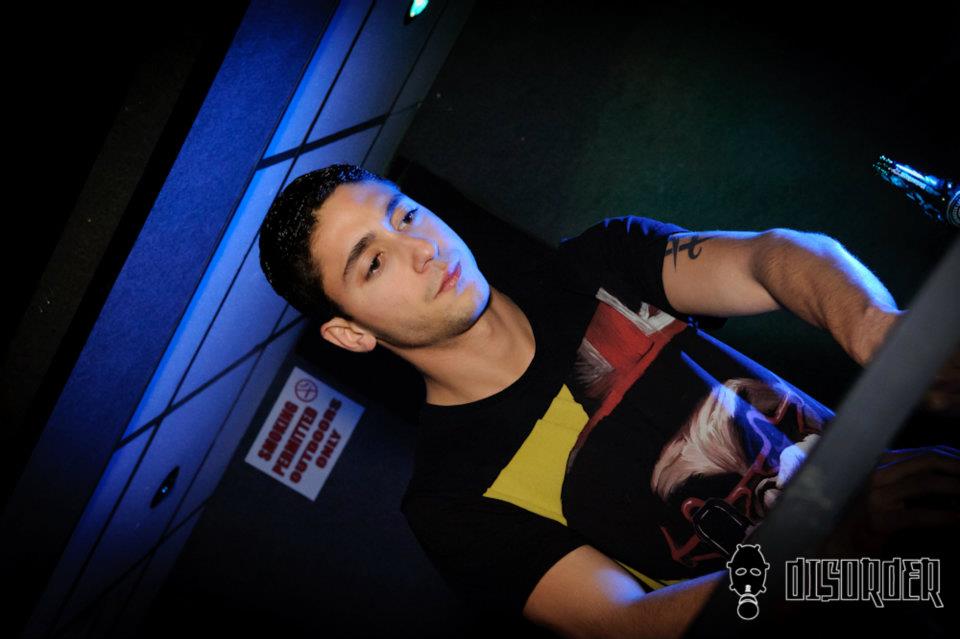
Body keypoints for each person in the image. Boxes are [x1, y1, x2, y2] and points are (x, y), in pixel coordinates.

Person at [258, 163, 960, 639]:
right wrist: (829, 548)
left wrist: (872, 326)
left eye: (406, 215)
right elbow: (624, 625)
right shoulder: (452, 498)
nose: (420, 249)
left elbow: (768, 258)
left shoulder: (599, 264)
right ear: (350, 332)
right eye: (374, 261)